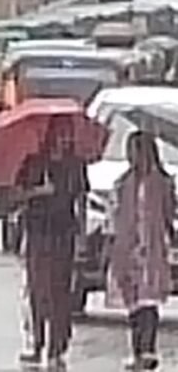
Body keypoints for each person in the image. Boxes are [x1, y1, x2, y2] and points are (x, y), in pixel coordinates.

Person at [14, 116, 89, 367]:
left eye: (68, 134)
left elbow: (81, 200)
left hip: (63, 233)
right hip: (37, 231)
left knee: (60, 292)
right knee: (37, 290)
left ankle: (57, 347)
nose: (65, 139)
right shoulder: (34, 162)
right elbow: (17, 195)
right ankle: (36, 343)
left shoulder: (75, 165)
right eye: (61, 133)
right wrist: (37, 191)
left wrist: (82, 237)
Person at [107, 131, 174, 371]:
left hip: (153, 249)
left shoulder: (163, 182)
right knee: (134, 304)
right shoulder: (123, 183)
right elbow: (114, 216)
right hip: (128, 250)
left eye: (135, 151)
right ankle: (137, 351)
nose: (132, 157)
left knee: (150, 302)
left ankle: (148, 349)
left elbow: (169, 214)